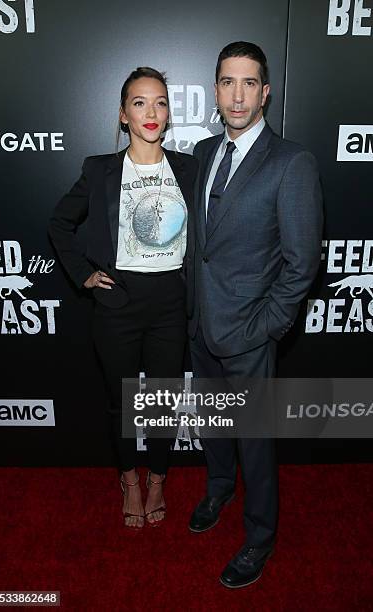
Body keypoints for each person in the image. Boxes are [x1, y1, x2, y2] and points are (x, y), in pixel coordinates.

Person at [186, 42, 323, 587]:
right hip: (200, 324)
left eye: (248, 83)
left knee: (257, 443)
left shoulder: (292, 162)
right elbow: (201, 244)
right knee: (216, 426)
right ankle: (218, 487)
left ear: (265, 92)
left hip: (249, 333)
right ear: (215, 91)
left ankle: (260, 537)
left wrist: (263, 328)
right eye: (226, 82)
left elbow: (301, 263)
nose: (236, 95)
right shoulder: (200, 152)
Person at [48, 67, 198, 529]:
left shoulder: (190, 169)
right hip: (117, 304)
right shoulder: (100, 170)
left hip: (171, 302)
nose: (150, 112)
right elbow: (60, 223)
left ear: (169, 113)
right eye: (139, 102)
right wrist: (84, 275)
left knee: (164, 400)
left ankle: (157, 479)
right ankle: (128, 479)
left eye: (159, 102)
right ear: (123, 115)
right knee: (122, 402)